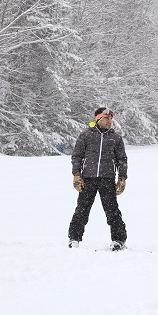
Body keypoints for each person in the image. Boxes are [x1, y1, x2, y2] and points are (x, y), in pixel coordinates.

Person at [68, 107, 128, 250]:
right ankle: (74, 238)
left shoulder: (116, 138)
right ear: (98, 119)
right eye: (106, 118)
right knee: (82, 209)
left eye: (111, 118)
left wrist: (122, 178)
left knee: (112, 210)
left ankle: (119, 240)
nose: (110, 121)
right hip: (88, 178)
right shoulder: (86, 135)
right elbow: (77, 156)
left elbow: (122, 159)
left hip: (107, 179)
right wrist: (77, 174)